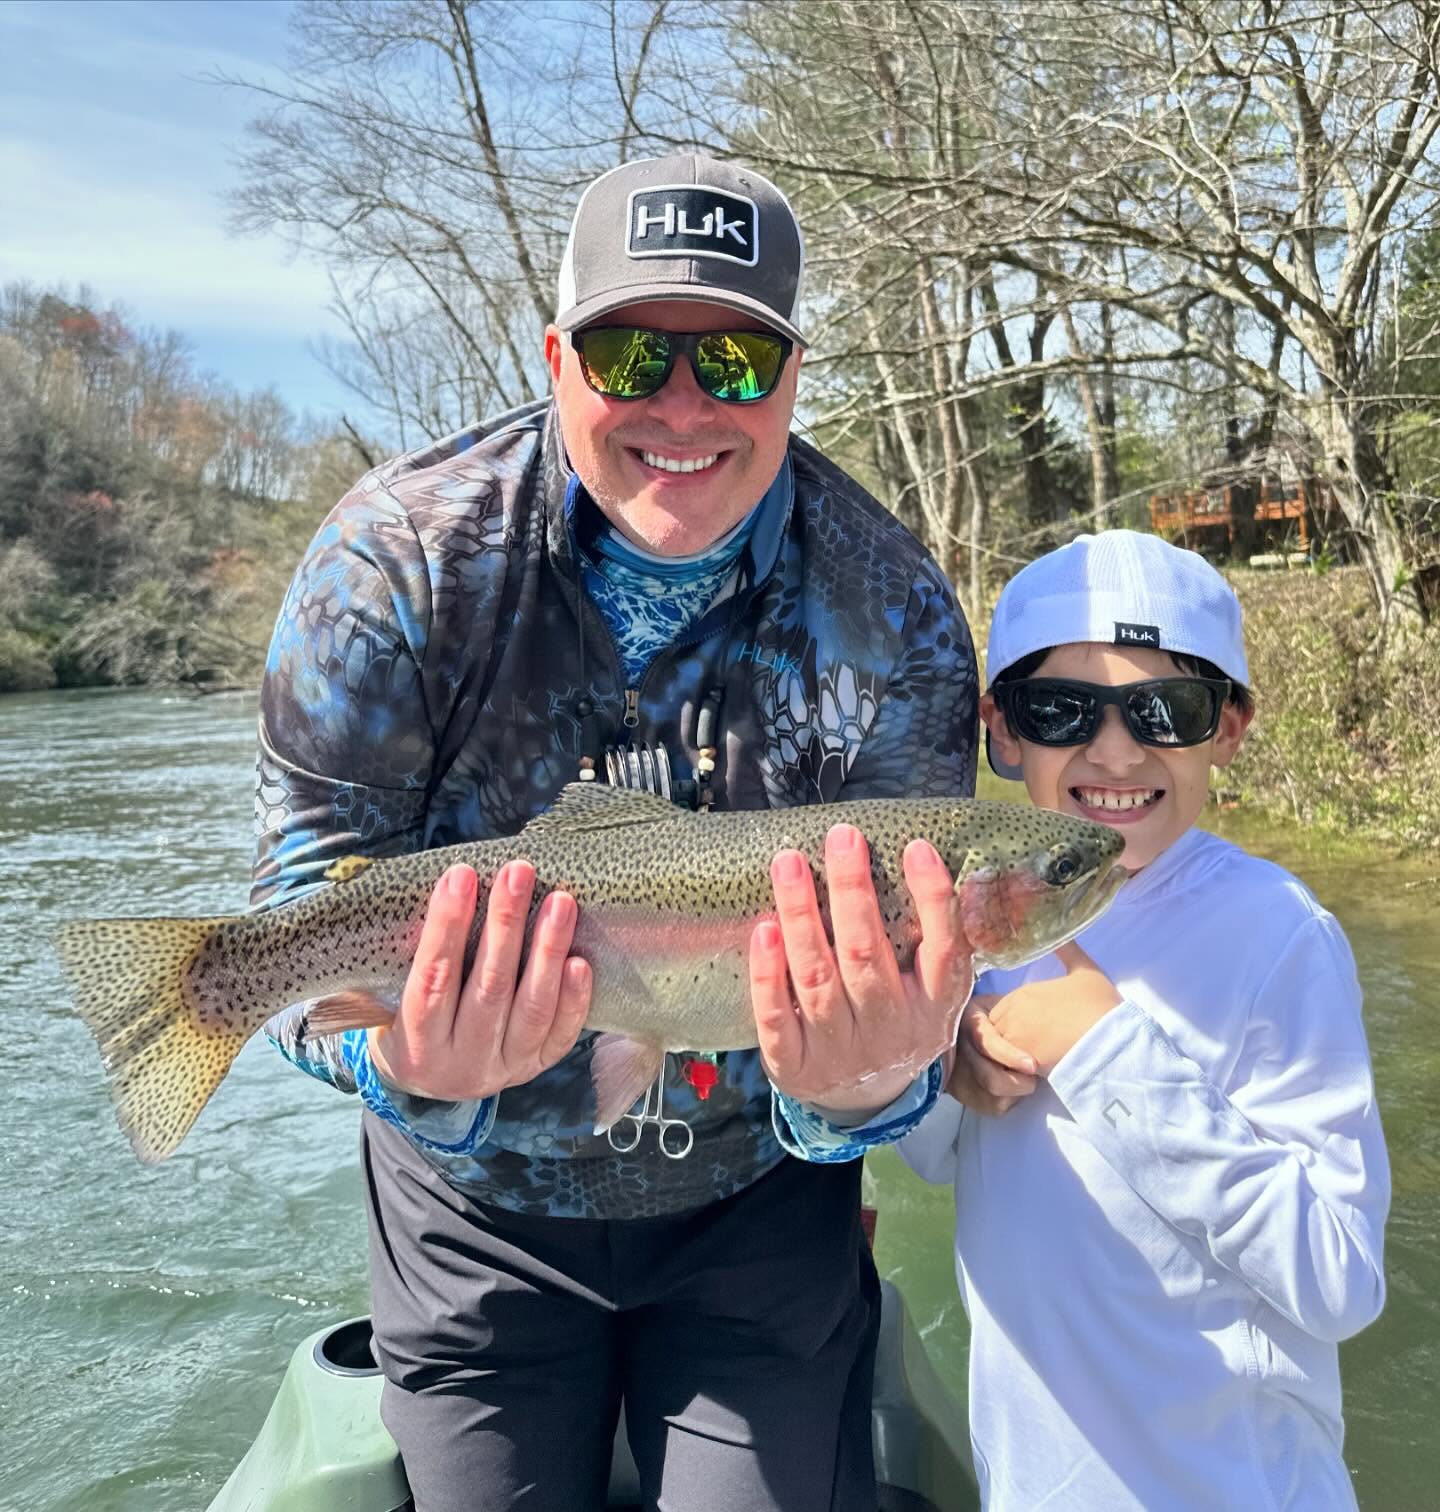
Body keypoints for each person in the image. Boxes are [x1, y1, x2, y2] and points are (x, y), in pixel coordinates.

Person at [251, 152, 979, 1512]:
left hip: (762, 1216)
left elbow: (908, 1018)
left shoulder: (895, 612)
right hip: (471, 1226)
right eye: (633, 354)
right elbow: (296, 909)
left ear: (796, 373)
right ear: (558, 357)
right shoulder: (395, 564)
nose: (686, 405)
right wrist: (411, 1070)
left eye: (740, 362)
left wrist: (864, 1095)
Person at [900, 530, 1390, 1510]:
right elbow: (926, 1157)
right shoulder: (980, 907)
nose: (1114, 749)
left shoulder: (1282, 934)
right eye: (1062, 710)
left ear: (1229, 729)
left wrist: (1106, 1049)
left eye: (1167, 710)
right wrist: (942, 1059)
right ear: (1003, 729)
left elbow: (1339, 1279)